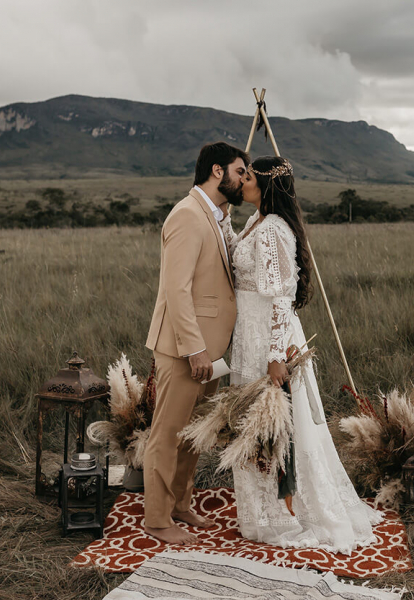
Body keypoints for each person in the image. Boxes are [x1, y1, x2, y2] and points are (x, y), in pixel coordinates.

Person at [220, 156, 381, 553]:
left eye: (250, 177)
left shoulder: (273, 228)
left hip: (266, 338)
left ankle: (286, 514)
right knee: (254, 424)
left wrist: (276, 355)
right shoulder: (255, 221)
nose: (243, 182)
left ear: (266, 186)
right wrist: (222, 217)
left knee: (275, 424)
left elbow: (280, 296)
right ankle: (259, 513)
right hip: (248, 333)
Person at [143, 142, 249, 545]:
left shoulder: (217, 216)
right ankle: (156, 520)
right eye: (241, 171)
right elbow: (176, 289)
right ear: (218, 171)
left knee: (194, 435)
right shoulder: (187, 215)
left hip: (211, 350)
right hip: (184, 350)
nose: (244, 179)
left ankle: (181, 503)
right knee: (168, 434)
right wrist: (194, 349)